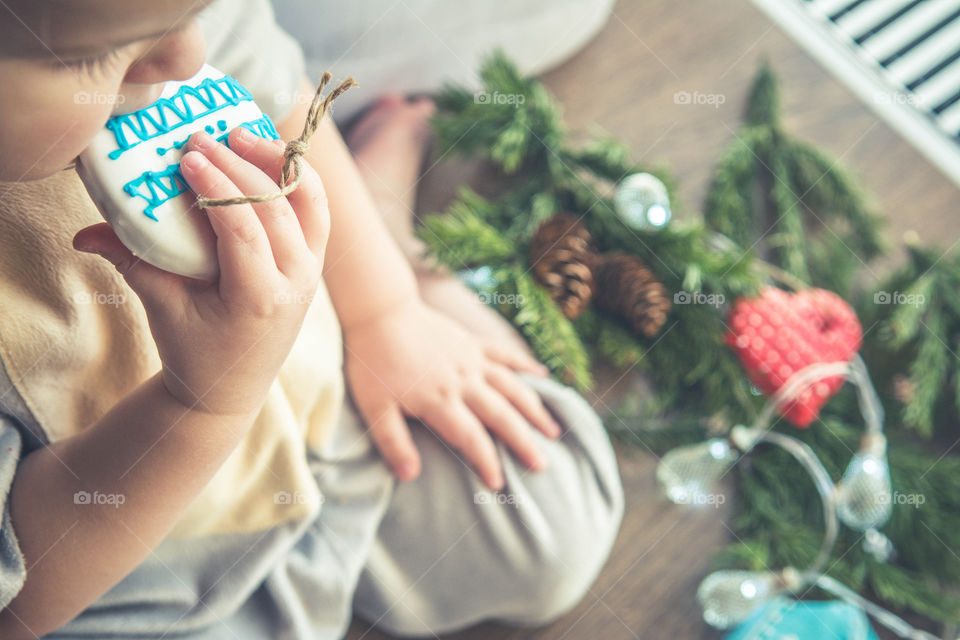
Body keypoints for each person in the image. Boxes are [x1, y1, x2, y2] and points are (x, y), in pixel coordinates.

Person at [0, 1, 623, 638]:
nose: (184, 56)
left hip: (330, 409)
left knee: (551, 530)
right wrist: (202, 406)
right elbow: (20, 601)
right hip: (151, 575)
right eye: (85, 57)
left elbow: (282, 105)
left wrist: (386, 310)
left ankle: (388, 229)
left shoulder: (159, 27)